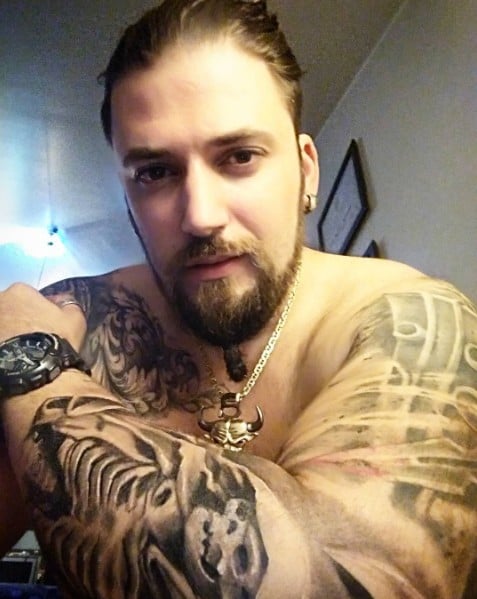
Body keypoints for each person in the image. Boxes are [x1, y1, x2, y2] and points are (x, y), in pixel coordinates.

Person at [0, 0, 476, 597]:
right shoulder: (69, 319)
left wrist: (31, 365)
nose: (200, 216)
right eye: (155, 173)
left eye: (239, 157)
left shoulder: (413, 325)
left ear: (306, 171)